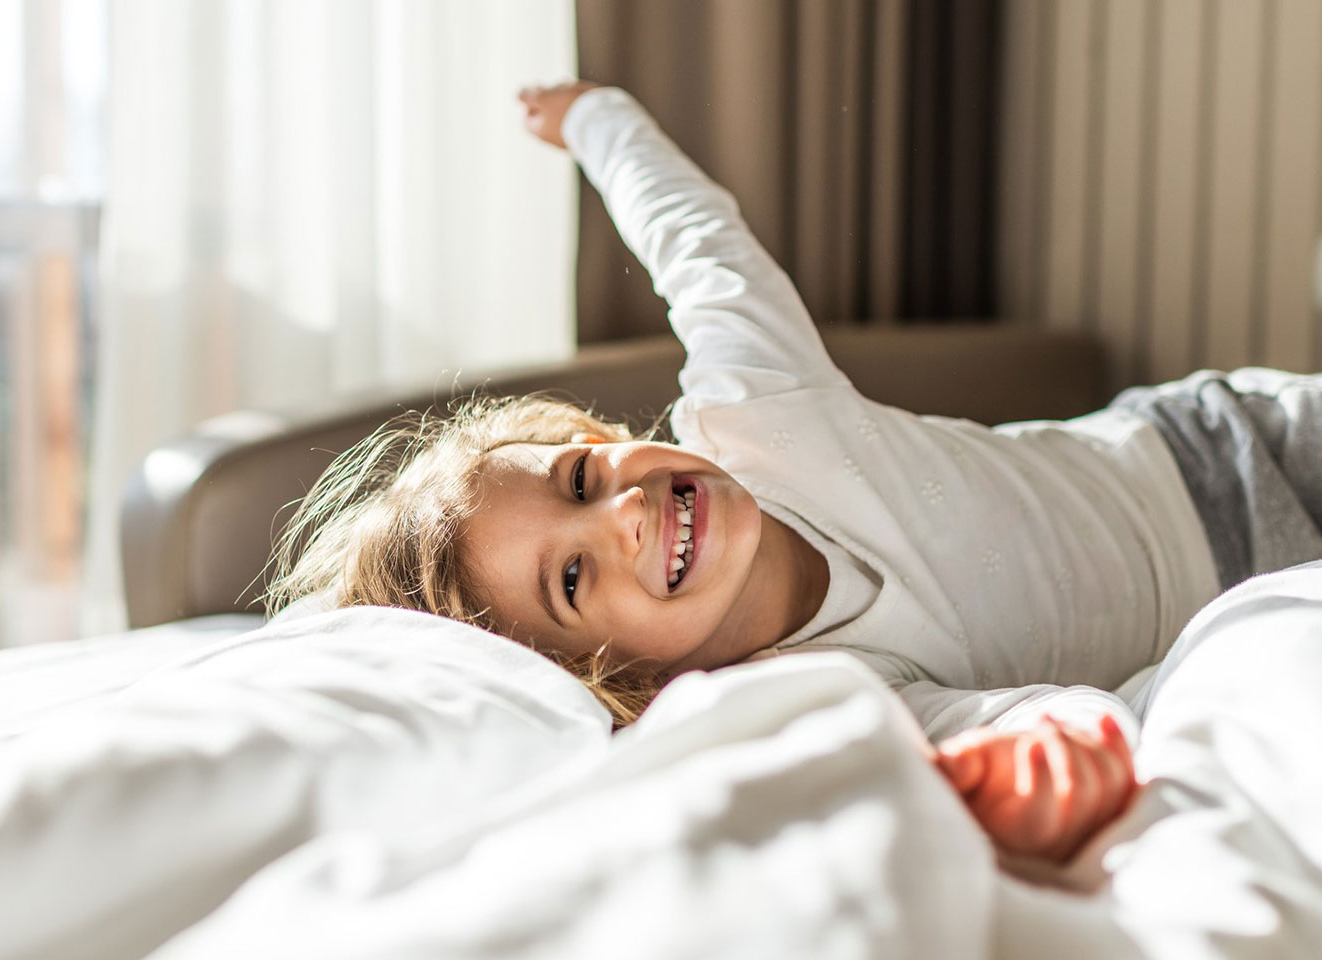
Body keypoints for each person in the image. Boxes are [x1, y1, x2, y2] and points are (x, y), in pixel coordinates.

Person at [264, 81, 1319, 864]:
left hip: (1222, 445)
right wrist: (1039, 769)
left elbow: (697, 242)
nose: (622, 517)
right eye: (572, 580)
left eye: (580, 476)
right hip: (1256, 609)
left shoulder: (755, 413)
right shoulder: (814, 693)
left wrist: (595, 120)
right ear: (615, 679)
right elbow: (1006, 726)